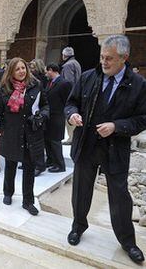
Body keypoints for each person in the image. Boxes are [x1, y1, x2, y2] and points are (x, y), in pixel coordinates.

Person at [64, 35, 146, 264]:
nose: (104, 62)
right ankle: (78, 226)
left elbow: (142, 119)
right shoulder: (89, 77)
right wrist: (72, 114)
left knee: (119, 196)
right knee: (80, 190)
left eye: (109, 58)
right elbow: (71, 102)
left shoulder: (138, 85)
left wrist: (117, 126)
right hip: (86, 145)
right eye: (102, 57)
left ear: (124, 58)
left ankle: (127, 242)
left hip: (115, 149)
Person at [0, 57, 49, 216]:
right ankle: (8, 193)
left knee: (29, 168)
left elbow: (45, 105)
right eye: (17, 69)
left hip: (31, 133)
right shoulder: (4, 88)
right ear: (11, 71)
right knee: (10, 166)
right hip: (12, 133)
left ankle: (28, 201)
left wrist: (42, 116)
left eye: (23, 68)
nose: (21, 71)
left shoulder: (35, 85)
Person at [44, 63, 72, 173]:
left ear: (51, 70)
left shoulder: (64, 83)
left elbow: (68, 100)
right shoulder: (50, 82)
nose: (46, 74)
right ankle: (50, 160)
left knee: (55, 141)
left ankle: (60, 165)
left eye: (47, 71)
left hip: (57, 116)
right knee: (48, 140)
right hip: (49, 116)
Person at [61, 47, 82, 145]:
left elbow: (68, 81)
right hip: (77, 91)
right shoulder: (76, 63)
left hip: (70, 93)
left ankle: (71, 137)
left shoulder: (67, 65)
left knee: (69, 114)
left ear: (65, 55)